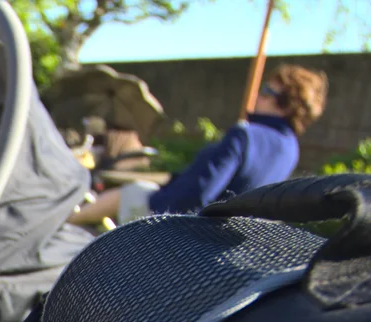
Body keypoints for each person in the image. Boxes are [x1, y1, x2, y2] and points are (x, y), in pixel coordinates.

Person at [70, 63, 329, 226]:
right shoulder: (290, 148)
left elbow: (198, 194)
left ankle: (67, 221)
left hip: (182, 226)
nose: (258, 96)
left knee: (130, 192)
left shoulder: (246, 136)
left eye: (266, 92)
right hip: (229, 234)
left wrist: (161, 209)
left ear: (284, 104)